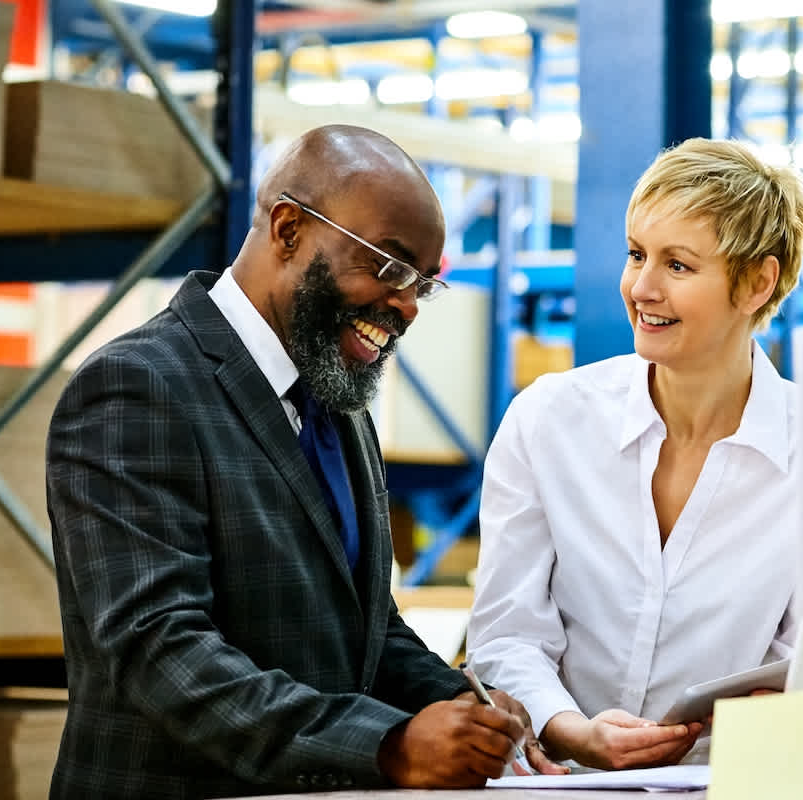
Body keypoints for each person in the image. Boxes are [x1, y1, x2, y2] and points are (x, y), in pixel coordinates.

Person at [45, 124, 563, 799]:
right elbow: (160, 651)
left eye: (422, 284)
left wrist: (473, 710)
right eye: (387, 265)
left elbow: (364, 628)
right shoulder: (136, 388)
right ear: (288, 228)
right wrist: (387, 744)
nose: (406, 305)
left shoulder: (336, 407)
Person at [466, 138, 803, 771]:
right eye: (636, 255)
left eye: (678, 266)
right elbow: (507, 631)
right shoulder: (549, 420)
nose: (642, 287)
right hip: (559, 782)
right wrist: (570, 728)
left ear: (758, 283)